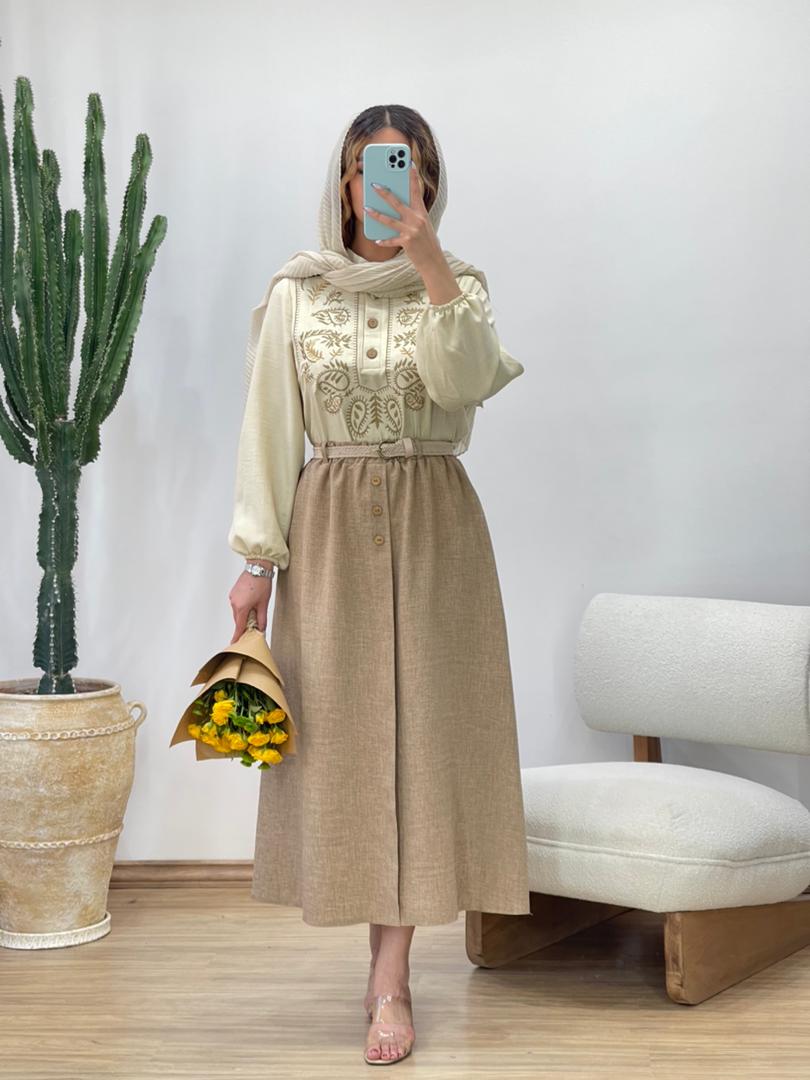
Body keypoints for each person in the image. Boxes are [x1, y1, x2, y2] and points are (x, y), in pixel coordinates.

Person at [227, 104, 531, 1065]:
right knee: (350, 748)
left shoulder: (459, 286)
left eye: (411, 169)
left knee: (425, 743)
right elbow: (269, 428)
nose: (393, 186)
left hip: (436, 524)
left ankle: (390, 980)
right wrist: (255, 564)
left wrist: (429, 259)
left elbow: (463, 383)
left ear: (429, 184)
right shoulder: (297, 292)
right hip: (327, 527)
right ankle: (382, 968)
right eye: (373, 169)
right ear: (347, 183)